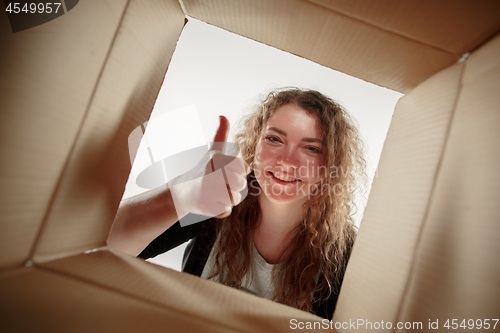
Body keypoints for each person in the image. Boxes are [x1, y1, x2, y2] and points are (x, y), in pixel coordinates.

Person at [107, 88, 366, 320]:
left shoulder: (347, 254)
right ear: (254, 144)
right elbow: (103, 244)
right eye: (274, 139)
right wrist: (181, 195)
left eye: (311, 148)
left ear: (331, 164)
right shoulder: (217, 200)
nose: (287, 161)